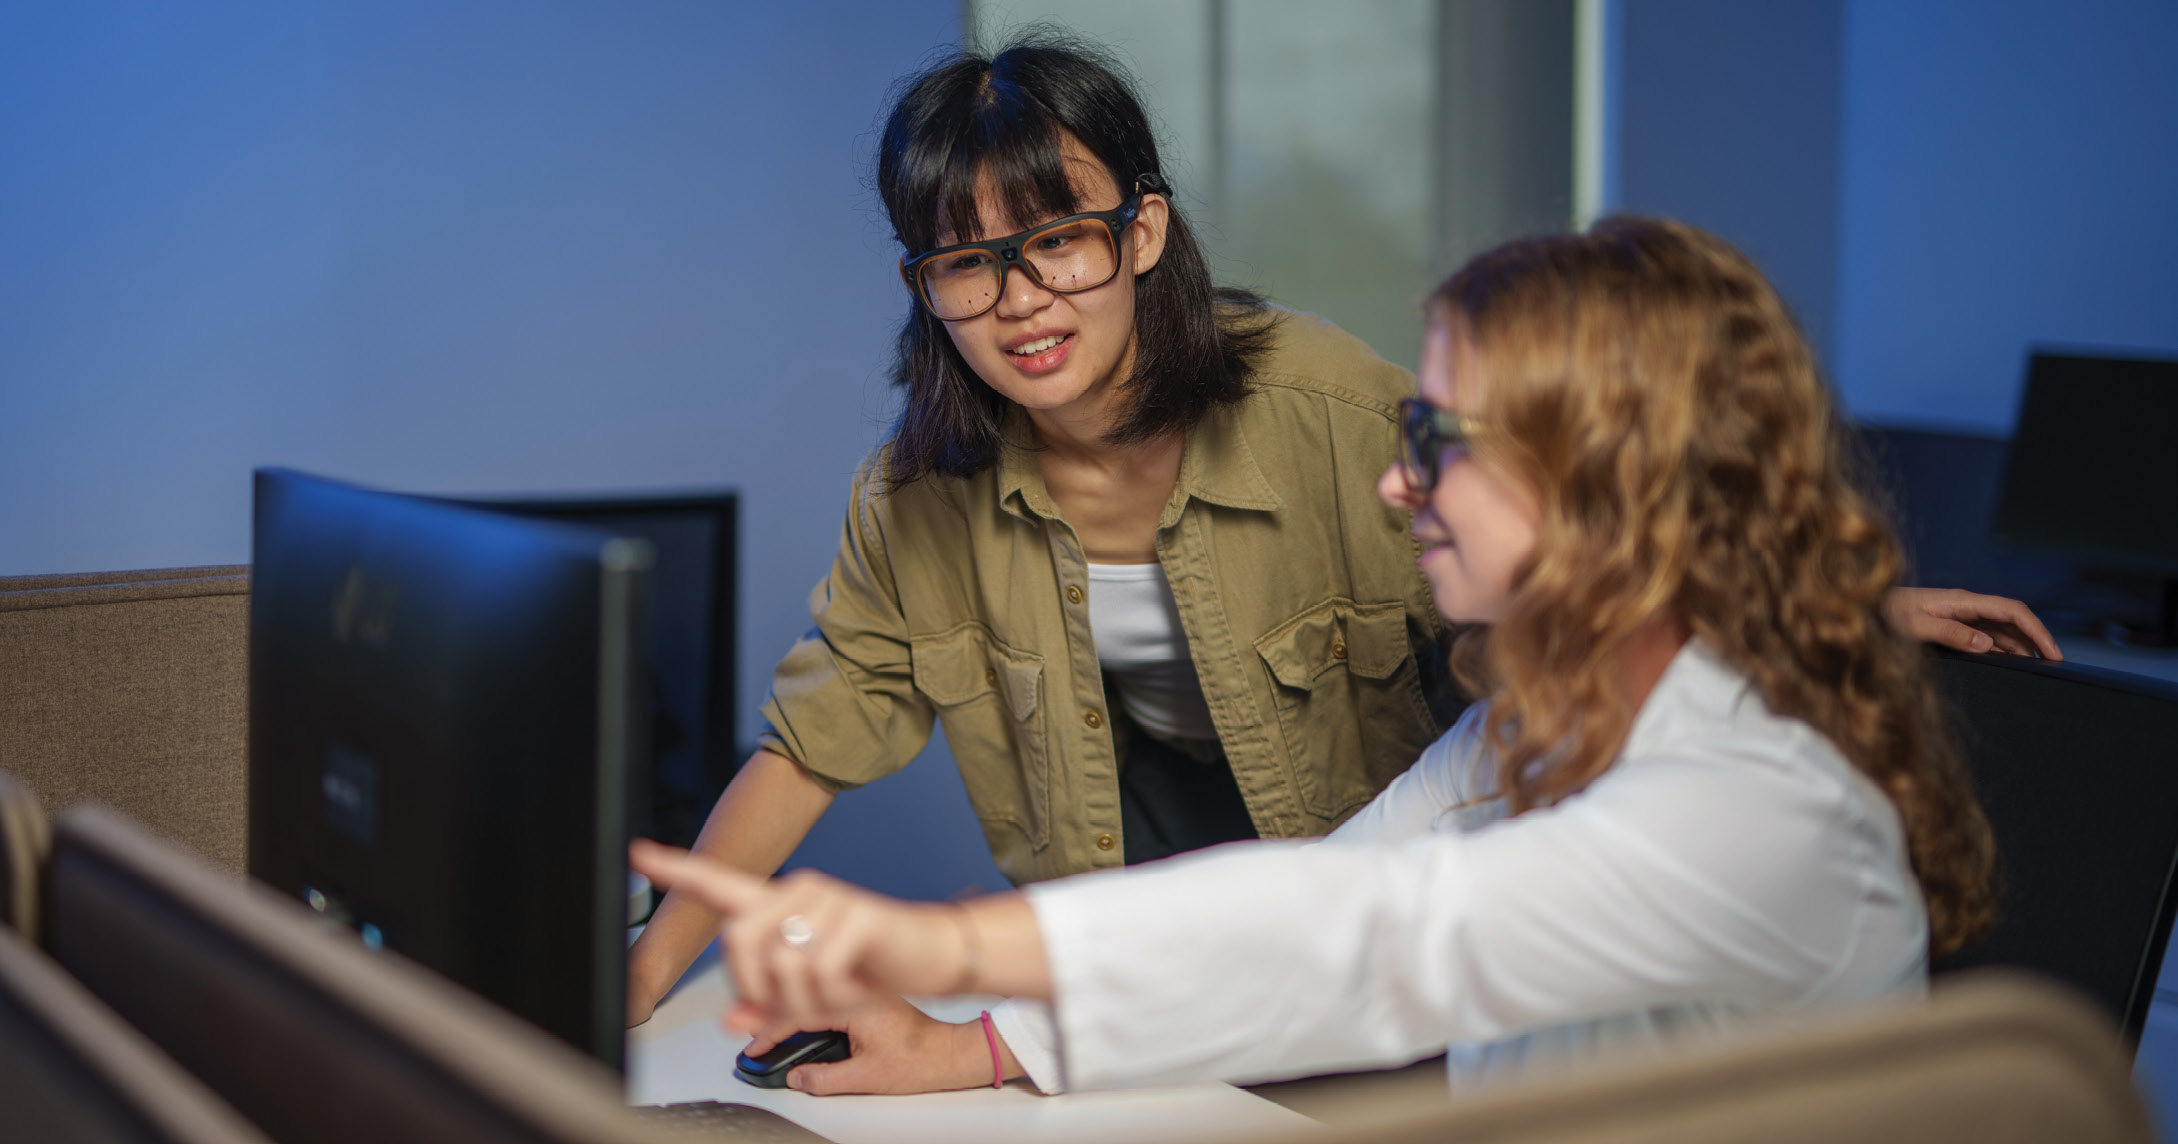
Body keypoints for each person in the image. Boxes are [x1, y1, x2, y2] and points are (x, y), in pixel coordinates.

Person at [624, 36, 2052, 1026]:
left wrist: (1831, 607)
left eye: (1054, 239)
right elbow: (813, 738)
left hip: (1330, 915)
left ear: (1139, 235)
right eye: (963, 262)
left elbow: (1561, 540)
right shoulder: (917, 493)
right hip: (1168, 920)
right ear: (921, 284)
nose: (1017, 298)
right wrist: (658, 958)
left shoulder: (1321, 408)